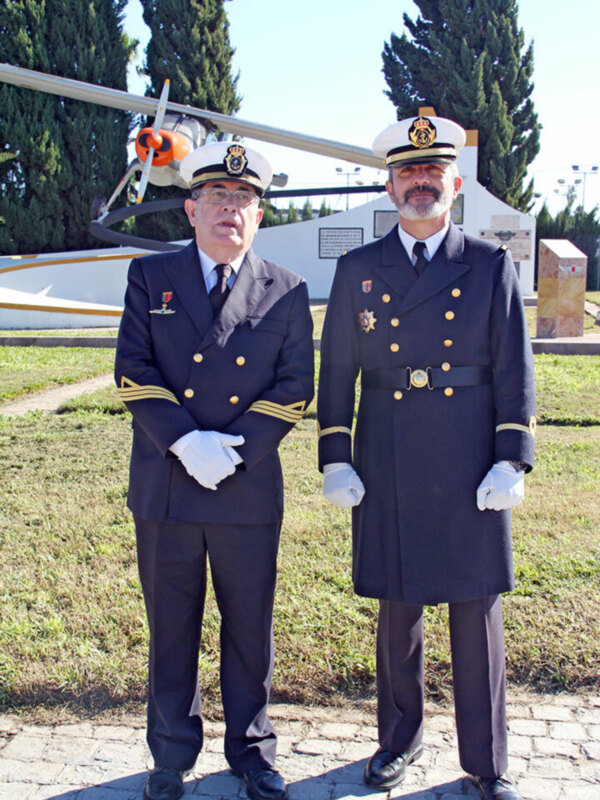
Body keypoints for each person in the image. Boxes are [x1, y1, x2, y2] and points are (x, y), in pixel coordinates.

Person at [317, 115, 535, 800]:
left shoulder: (490, 263)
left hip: (471, 453)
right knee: (398, 609)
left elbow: (515, 368)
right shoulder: (358, 269)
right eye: (408, 172)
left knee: (476, 612)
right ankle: (398, 742)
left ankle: (487, 761)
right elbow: (337, 372)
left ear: (455, 181)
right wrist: (335, 455)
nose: (420, 182)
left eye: (432, 171)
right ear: (389, 185)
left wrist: (513, 458)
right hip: (388, 451)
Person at [115, 141, 314, 800]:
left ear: (258, 216)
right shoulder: (151, 277)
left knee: (249, 626)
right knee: (171, 625)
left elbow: (293, 386)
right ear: (192, 209)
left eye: (245, 200)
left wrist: (228, 450)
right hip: (168, 483)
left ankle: (252, 750)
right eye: (219, 198)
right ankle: (171, 752)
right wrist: (184, 443)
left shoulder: (286, 291)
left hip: (245, 484)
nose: (232, 209)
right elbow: (133, 370)